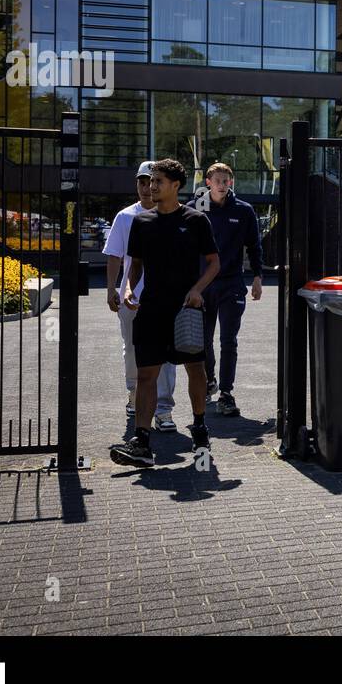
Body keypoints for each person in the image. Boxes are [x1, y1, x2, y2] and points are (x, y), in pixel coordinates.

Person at [109, 159, 221, 468]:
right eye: (149, 181)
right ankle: (142, 441)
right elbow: (135, 266)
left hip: (187, 310)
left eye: (158, 181)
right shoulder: (141, 222)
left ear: (175, 185)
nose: (151, 186)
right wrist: (129, 289)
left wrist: (198, 289)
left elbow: (214, 263)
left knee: (195, 369)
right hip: (152, 310)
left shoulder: (196, 220)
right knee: (146, 374)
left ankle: (199, 427)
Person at [103, 160, 179, 431]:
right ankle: (134, 395)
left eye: (153, 181)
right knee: (133, 350)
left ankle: (163, 409)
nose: (147, 187)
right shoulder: (125, 217)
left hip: (165, 299)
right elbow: (115, 255)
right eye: (142, 182)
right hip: (131, 299)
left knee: (167, 354)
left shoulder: (175, 217)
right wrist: (112, 288)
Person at [188, 162, 263, 417]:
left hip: (232, 284)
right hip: (203, 285)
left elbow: (254, 245)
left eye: (226, 180)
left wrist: (258, 277)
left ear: (231, 183)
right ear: (208, 182)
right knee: (204, 340)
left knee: (228, 340)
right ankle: (210, 380)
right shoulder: (196, 209)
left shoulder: (244, 211)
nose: (221, 185)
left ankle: (226, 394)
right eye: (217, 180)